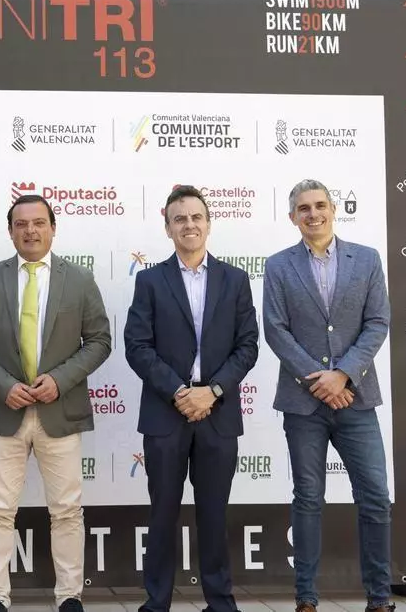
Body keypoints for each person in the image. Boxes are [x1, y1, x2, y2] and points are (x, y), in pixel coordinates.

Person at [0, 194, 112, 612]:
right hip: (4, 411)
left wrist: (60, 381)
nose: (30, 231)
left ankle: (69, 597)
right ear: (10, 232)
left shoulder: (79, 279)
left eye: (39, 222)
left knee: (66, 510)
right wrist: (3, 384)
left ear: (53, 228)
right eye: (21, 224)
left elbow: (100, 341)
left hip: (60, 412)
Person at [122, 185, 259, 612]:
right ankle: (156, 603)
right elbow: (137, 346)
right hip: (167, 413)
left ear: (209, 224)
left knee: (214, 515)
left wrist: (212, 392)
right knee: (162, 513)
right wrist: (180, 392)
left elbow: (248, 346)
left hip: (218, 414)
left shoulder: (235, 280)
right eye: (179, 219)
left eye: (196, 217)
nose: (189, 225)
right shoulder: (149, 280)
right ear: (168, 228)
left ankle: (220, 603)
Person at [262, 179, 393, 612]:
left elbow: (377, 322)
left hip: (357, 399)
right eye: (304, 208)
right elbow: (275, 330)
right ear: (292, 217)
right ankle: (306, 598)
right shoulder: (278, 266)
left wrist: (343, 375)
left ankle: (379, 597)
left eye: (320, 205)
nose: (313, 214)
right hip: (304, 404)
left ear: (333, 209)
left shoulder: (367, 259)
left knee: (375, 497)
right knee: (308, 498)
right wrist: (319, 380)